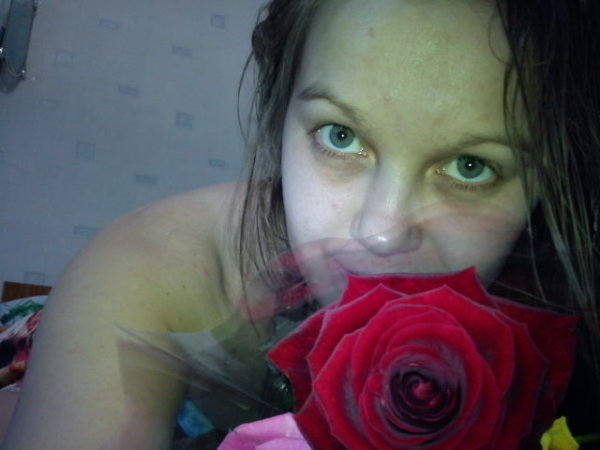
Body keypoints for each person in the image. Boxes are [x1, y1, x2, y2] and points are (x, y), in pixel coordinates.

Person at [2, 0, 599, 448]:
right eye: (340, 136)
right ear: (282, 111)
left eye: (470, 166)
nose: (382, 231)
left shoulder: (565, 302)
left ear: (545, 180)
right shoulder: (149, 274)